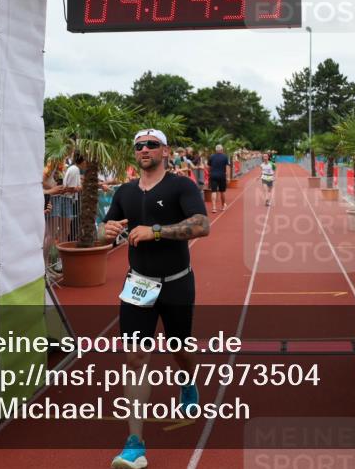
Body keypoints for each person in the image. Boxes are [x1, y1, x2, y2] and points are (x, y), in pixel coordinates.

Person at [101, 128, 210, 469]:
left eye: (151, 145)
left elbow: (202, 225)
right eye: (139, 146)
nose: (144, 149)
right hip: (138, 286)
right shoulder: (125, 191)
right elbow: (107, 228)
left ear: (165, 150)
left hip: (177, 283)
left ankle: (188, 382)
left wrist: (157, 231)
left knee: (179, 347)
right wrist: (106, 231)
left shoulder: (182, 186)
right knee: (135, 358)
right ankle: (135, 443)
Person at [207, 144, 230, 213]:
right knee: (222, 191)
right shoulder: (225, 157)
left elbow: (209, 167)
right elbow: (227, 167)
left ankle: (214, 207)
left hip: (213, 175)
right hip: (222, 175)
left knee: (213, 191)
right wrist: (228, 177)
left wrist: (210, 174)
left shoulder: (211, 156)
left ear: (216, 150)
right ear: (222, 150)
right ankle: (223, 206)